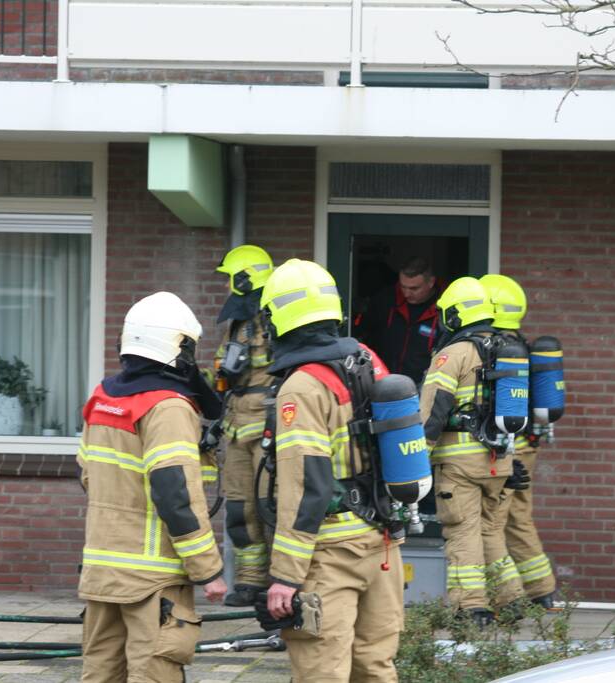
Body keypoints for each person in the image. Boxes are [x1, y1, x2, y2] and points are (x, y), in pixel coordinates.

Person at [259, 258, 405, 682]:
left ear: (278, 319)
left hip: (329, 555)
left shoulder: (302, 386)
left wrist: (286, 575)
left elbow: (307, 485)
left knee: (321, 671)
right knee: (375, 669)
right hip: (382, 547)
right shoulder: (367, 360)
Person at [77, 291, 227, 682]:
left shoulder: (102, 397)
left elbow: (87, 474)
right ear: (178, 346)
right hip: (153, 580)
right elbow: (175, 495)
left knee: (100, 674)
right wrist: (208, 570)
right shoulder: (168, 406)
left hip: (102, 570)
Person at [419, 276, 522, 627]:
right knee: (491, 531)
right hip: (500, 461)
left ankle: (471, 607)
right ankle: (511, 600)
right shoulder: (507, 348)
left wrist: (416, 459)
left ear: (455, 315)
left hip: (460, 464)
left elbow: (432, 411)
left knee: (462, 531)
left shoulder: (454, 354)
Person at [480, 273, 557, 608]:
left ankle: (507, 598)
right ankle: (541, 590)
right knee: (518, 517)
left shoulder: (494, 350)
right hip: (527, 443)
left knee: (494, 521)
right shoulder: (522, 346)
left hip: (507, 448)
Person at [212, 245, 277, 607]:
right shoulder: (237, 322)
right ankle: (251, 580)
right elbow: (225, 371)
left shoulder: (275, 317)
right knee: (240, 509)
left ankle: (280, 580)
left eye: (229, 279)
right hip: (236, 427)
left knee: (272, 506)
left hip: (267, 427)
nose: (225, 288)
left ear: (243, 279)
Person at [354, 256, 441, 385]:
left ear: (431, 282)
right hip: (383, 381)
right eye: (403, 287)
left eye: (414, 289)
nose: (406, 294)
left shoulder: (443, 309)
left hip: (423, 386)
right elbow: (362, 331)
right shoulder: (386, 300)